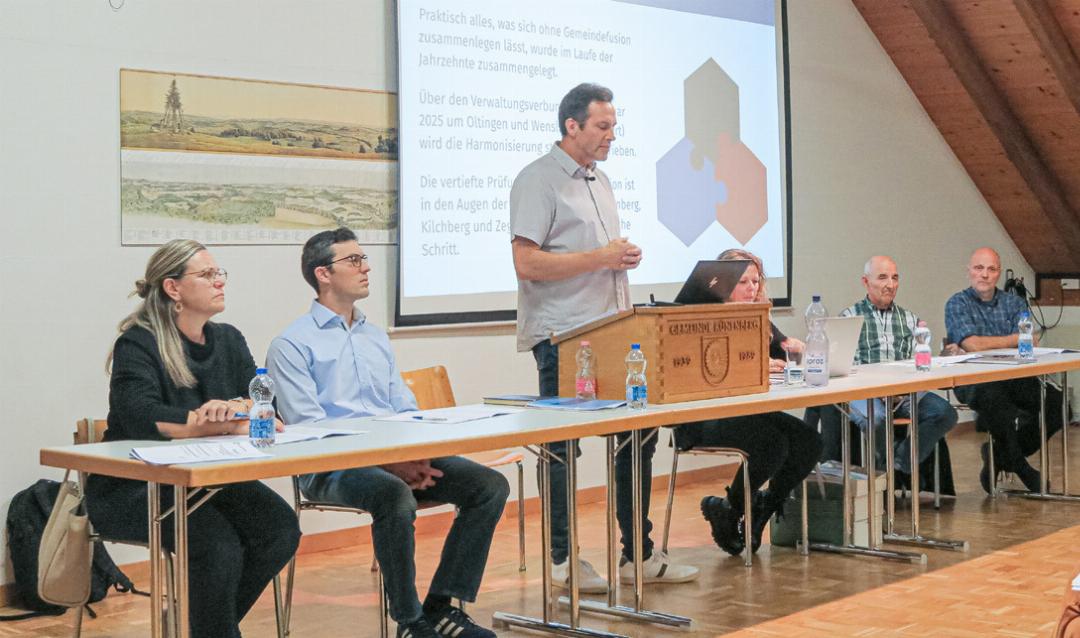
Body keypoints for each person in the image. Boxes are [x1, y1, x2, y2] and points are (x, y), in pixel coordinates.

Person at [267, 228, 508, 638]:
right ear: (323, 274)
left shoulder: (374, 336)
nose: (366, 267)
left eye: (364, 258)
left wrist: (413, 455)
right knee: (392, 494)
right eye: (354, 260)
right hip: (330, 468)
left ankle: (441, 607)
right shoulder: (291, 344)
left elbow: (404, 410)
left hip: (395, 459)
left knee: (488, 485)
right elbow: (311, 430)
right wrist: (391, 464)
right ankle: (410, 622)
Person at [509, 83, 697, 591]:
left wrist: (619, 259)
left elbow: (595, 256)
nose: (612, 135)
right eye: (603, 126)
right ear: (572, 126)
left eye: (613, 126)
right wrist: (601, 257)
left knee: (637, 437)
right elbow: (526, 262)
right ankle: (562, 562)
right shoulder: (538, 179)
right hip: (563, 336)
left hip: (611, 333)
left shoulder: (601, 179)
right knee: (561, 448)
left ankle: (638, 555)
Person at [86, 240, 301, 638]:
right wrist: (218, 423)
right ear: (173, 288)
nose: (220, 282)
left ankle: (199, 627)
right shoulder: (138, 343)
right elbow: (141, 416)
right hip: (135, 486)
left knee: (279, 528)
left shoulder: (229, 339)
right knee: (217, 546)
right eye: (207, 275)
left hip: (206, 481)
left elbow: (266, 410)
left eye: (220, 273)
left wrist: (237, 408)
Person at [688, 249, 823, 555]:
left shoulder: (758, 318)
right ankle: (732, 509)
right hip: (705, 417)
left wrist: (798, 350)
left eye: (755, 281)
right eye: (743, 282)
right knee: (773, 443)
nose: (751, 288)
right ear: (722, 285)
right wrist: (758, 365)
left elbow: (783, 351)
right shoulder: (704, 319)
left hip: (749, 413)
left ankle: (762, 509)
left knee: (810, 441)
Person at [829, 256, 958, 483]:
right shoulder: (849, 318)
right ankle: (883, 483)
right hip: (864, 392)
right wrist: (878, 387)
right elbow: (846, 367)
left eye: (895, 278)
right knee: (877, 418)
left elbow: (917, 362)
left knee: (945, 413)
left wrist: (942, 359)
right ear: (866, 282)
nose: (890, 284)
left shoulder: (910, 319)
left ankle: (901, 462)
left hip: (904, 392)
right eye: (882, 278)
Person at [945, 246, 1064, 493]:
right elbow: (972, 344)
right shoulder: (957, 303)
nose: (984, 274)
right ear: (969, 271)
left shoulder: (1014, 302)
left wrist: (990, 342)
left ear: (998, 273)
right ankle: (1020, 466)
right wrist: (1012, 339)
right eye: (979, 268)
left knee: (1057, 403)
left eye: (991, 269)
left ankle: (999, 454)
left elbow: (1028, 342)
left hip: (1013, 376)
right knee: (995, 400)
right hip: (973, 379)